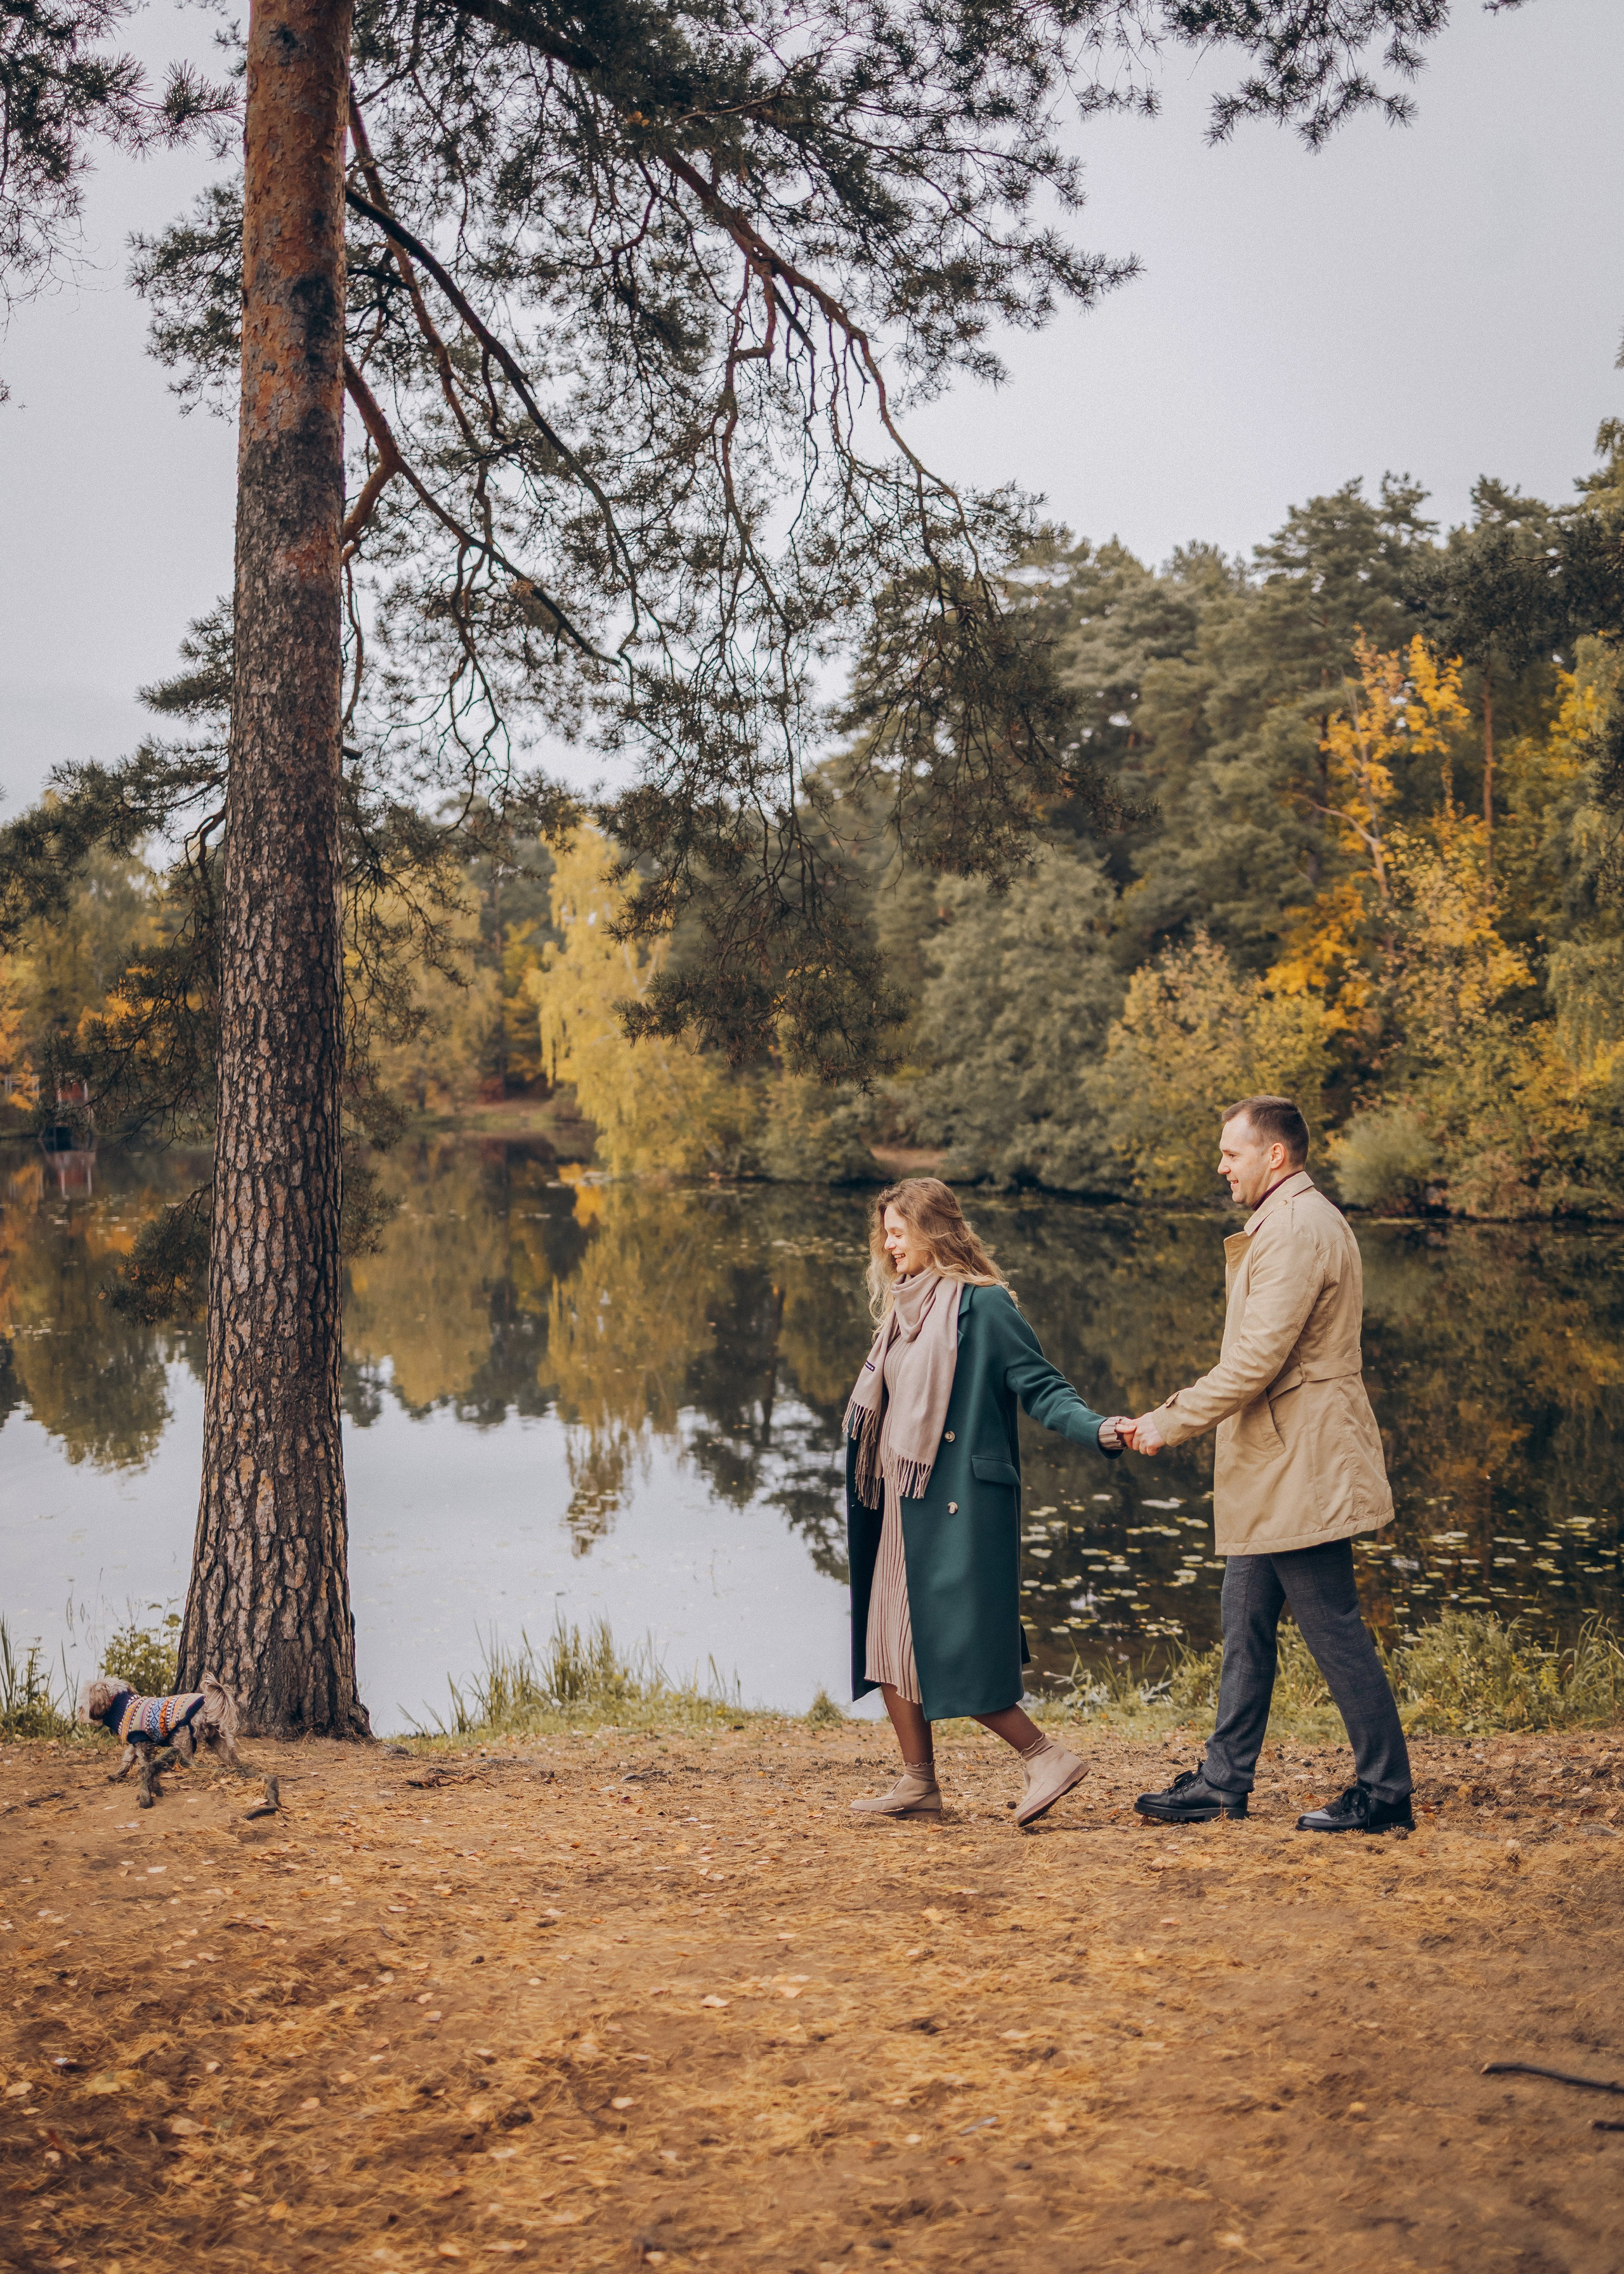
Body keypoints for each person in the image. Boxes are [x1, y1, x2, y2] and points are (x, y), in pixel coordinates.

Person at [1122, 1096, 1413, 1834]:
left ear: (1274, 1155)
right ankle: (1224, 1779)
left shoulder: (1293, 1229)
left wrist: (1169, 1419)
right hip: (1283, 1459)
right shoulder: (1291, 1221)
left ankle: (1384, 1792)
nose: (1220, 1165)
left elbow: (1255, 1360)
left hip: (1300, 1462)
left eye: (1231, 1152)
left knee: (1333, 1625)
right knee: (1244, 1616)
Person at [844, 1178, 1129, 1828]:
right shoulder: (902, 1309)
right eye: (884, 1232)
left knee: (952, 1643)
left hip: (957, 1503)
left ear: (933, 1231)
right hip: (899, 1499)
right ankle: (919, 1781)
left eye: (899, 1231)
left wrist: (1101, 1428)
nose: (889, 1245)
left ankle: (1044, 1755)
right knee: (886, 1639)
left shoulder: (985, 1306)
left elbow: (1043, 1387)